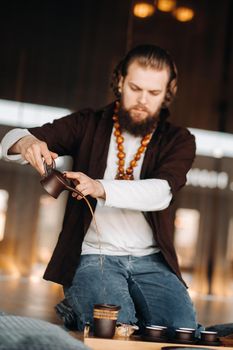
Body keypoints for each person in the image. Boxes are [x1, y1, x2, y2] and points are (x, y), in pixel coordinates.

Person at [1, 44, 199, 334]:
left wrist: (98, 187)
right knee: (116, 330)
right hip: (94, 255)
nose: (143, 100)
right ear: (119, 81)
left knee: (182, 331)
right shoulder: (87, 123)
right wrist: (27, 143)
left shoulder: (179, 140)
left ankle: (77, 308)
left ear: (168, 92)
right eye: (135, 88)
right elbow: (12, 140)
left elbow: (161, 192)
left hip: (152, 260)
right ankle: (82, 305)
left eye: (154, 93)